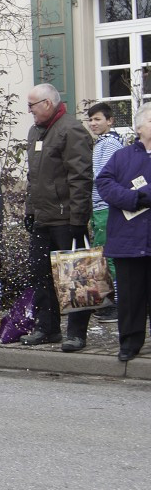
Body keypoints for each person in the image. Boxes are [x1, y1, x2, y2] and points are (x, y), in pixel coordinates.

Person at [21, 83, 94, 352]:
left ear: (47, 104)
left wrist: (78, 218)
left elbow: (81, 177)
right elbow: (33, 178)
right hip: (42, 218)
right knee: (41, 276)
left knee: (75, 278)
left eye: (32, 105)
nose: (29, 110)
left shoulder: (70, 129)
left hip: (66, 220)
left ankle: (76, 333)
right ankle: (47, 327)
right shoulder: (35, 131)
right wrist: (30, 210)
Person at [95, 103, 151, 360]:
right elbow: (104, 184)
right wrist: (134, 198)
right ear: (139, 127)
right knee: (130, 297)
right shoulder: (123, 156)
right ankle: (129, 343)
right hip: (129, 239)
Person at [88, 102, 123, 324]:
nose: (93, 123)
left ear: (110, 121)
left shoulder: (109, 144)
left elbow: (102, 175)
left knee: (109, 255)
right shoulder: (102, 143)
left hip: (105, 206)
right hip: (100, 207)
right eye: (90, 120)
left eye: (97, 119)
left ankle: (118, 303)